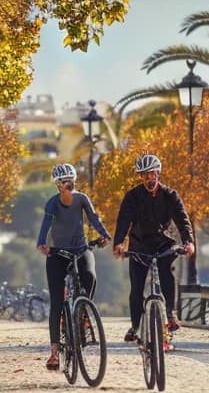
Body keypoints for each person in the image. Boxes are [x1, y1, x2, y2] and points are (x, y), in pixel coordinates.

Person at [111, 153, 195, 344]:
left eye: (152, 174)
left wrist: (188, 241)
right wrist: (118, 243)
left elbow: (182, 219)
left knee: (167, 274)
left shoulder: (170, 195)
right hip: (139, 245)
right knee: (136, 288)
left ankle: (170, 315)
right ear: (140, 177)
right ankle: (135, 325)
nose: (149, 178)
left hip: (164, 243)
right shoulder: (132, 197)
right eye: (145, 175)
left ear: (158, 173)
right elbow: (124, 221)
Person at [36, 163, 110, 371]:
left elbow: (94, 218)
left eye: (71, 180)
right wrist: (42, 243)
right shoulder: (52, 203)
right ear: (58, 185)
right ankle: (53, 353)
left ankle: (84, 312)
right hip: (57, 254)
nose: (69, 184)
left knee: (90, 275)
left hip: (80, 249)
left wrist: (104, 234)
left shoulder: (82, 199)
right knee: (57, 302)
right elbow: (45, 224)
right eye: (64, 181)